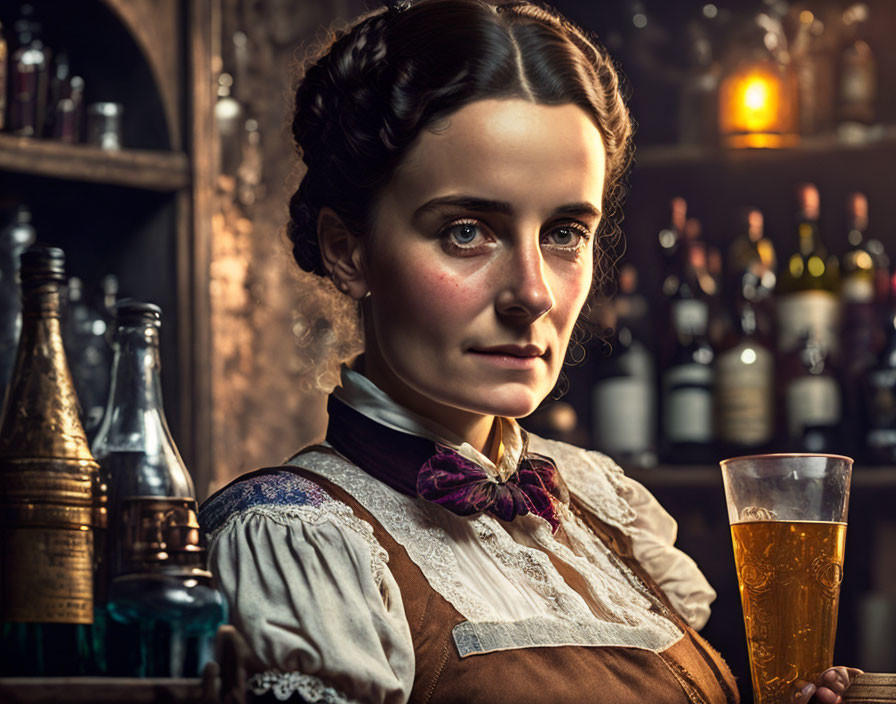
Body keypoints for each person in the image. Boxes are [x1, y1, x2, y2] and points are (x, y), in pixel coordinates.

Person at [200, 1, 860, 702]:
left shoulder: (606, 508)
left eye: (564, 232)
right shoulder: (296, 540)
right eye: (466, 231)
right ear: (347, 251)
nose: (534, 292)